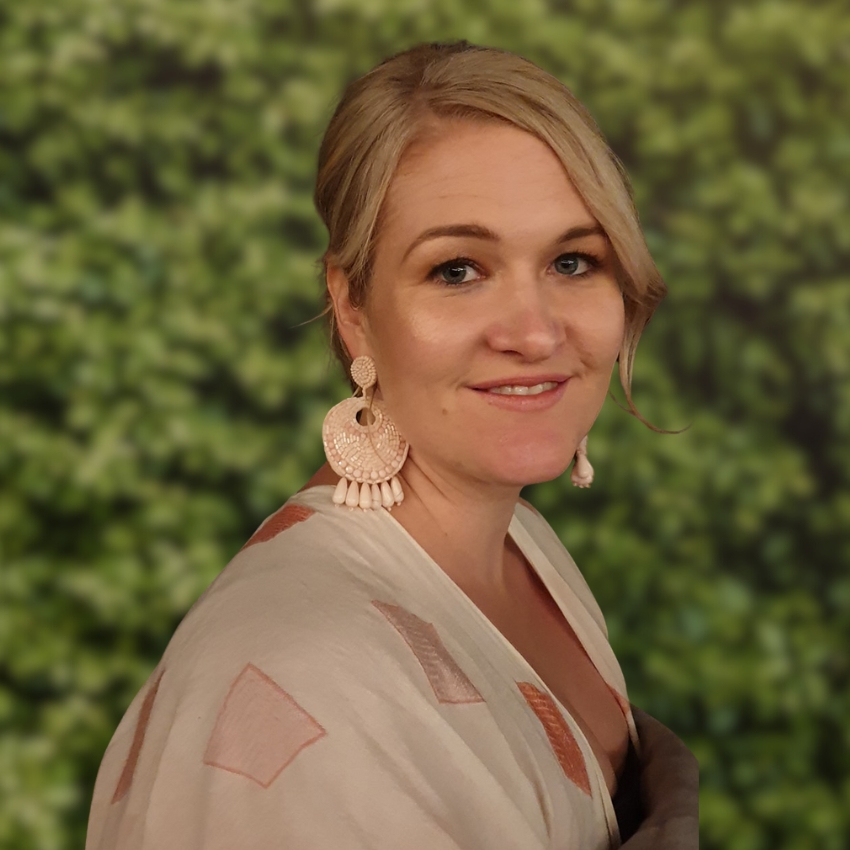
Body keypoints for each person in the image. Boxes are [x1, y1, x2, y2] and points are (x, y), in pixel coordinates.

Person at [86, 41, 698, 849]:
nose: (536, 333)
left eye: (573, 261)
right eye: (458, 271)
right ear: (354, 308)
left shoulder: (523, 543)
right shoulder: (303, 677)